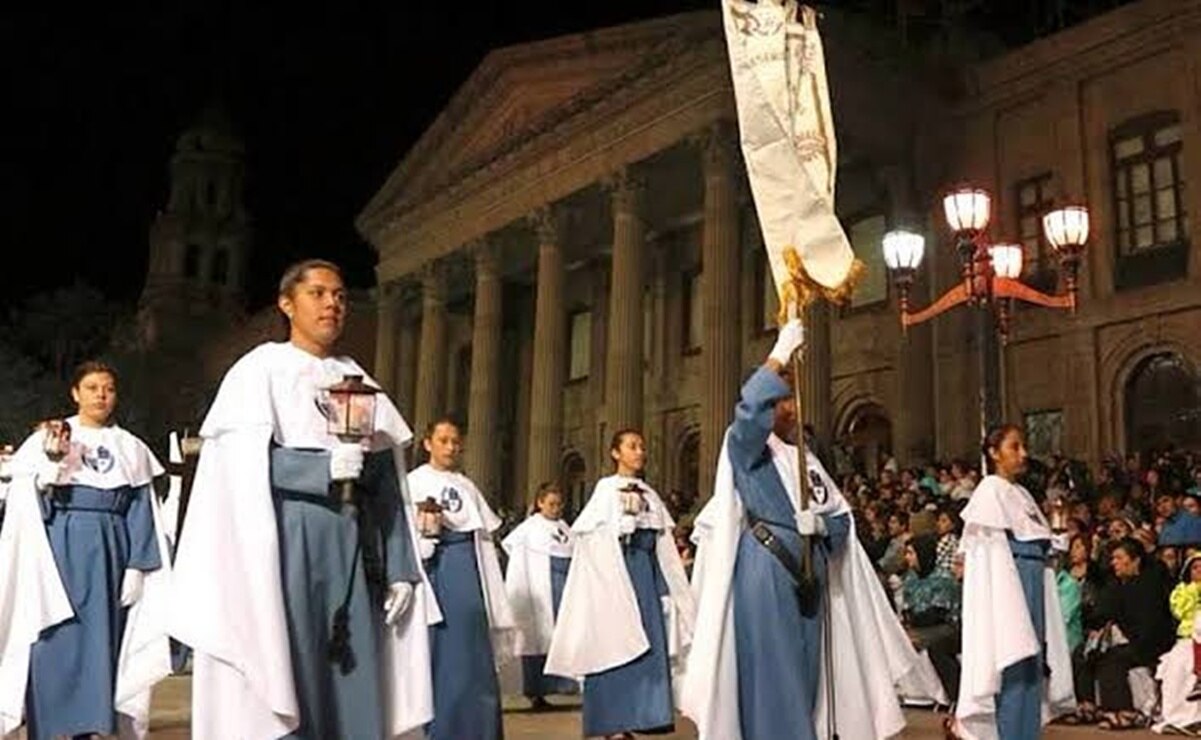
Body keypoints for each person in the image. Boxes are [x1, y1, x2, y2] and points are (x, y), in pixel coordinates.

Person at [168, 259, 434, 739]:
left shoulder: (357, 377)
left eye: (340, 295)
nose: (333, 303)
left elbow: (387, 485)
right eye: (318, 293)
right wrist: (319, 469)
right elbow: (239, 468)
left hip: (354, 544)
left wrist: (400, 568)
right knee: (290, 662)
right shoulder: (259, 372)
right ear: (286, 303)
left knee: (353, 664)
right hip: (286, 543)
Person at [681, 319, 919, 740]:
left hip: (810, 572)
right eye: (784, 399)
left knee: (806, 671)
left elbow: (844, 520)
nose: (791, 408)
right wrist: (780, 353)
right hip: (766, 565)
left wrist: (823, 526)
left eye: (790, 399)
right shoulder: (746, 448)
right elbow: (750, 409)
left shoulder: (806, 459)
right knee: (775, 674)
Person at [0, 361, 172, 739]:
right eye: (92, 387)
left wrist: (137, 565)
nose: (101, 395)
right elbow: (26, 505)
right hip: (59, 550)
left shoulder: (130, 447)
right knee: (54, 637)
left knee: (101, 642)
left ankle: (92, 726)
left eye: (108, 388)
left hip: (111, 552)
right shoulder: (50, 437)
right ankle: (50, 726)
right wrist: (50, 470)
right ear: (75, 393)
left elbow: (141, 508)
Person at [546, 429, 694, 740]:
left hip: (644, 578)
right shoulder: (605, 489)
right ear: (616, 453)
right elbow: (588, 538)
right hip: (613, 578)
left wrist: (670, 587)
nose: (639, 452)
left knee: (647, 647)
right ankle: (612, 722)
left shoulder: (651, 495)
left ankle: (643, 715)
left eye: (641, 446)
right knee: (613, 646)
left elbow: (663, 544)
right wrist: (617, 531)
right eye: (632, 446)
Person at [953, 424, 1075, 739]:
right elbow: (987, 549)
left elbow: (1039, 538)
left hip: (1034, 577)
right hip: (1010, 582)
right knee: (1012, 660)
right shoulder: (989, 491)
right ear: (994, 453)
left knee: (1032, 663)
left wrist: (1055, 538)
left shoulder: (1021, 494)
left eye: (1023, 447)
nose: (1023, 454)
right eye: (1014, 447)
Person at [408, 418, 513, 740]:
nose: (451, 447)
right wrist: (419, 544)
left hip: (469, 569)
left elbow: (481, 536)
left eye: (455, 441)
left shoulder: (466, 486)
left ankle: (478, 728)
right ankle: (442, 727)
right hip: (435, 571)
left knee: (473, 650)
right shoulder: (412, 482)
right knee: (439, 650)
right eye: (443, 440)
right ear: (428, 444)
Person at [502, 481, 577, 710]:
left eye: (559, 504)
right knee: (537, 639)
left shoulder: (565, 526)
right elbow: (512, 547)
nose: (556, 508)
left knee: (564, 635)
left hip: (564, 586)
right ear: (540, 503)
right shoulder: (529, 528)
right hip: (542, 588)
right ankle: (536, 691)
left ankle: (564, 685)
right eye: (551, 504)